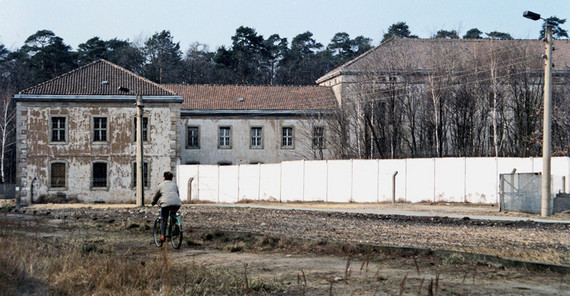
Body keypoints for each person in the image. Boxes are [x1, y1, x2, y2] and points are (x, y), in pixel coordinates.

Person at [151, 171, 182, 243]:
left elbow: (156, 196)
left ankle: (163, 236)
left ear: (164, 178)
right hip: (177, 203)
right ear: (172, 178)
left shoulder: (161, 185)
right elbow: (177, 194)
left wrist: (153, 202)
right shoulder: (175, 185)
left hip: (165, 205)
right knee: (173, 214)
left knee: (164, 219)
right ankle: (176, 225)